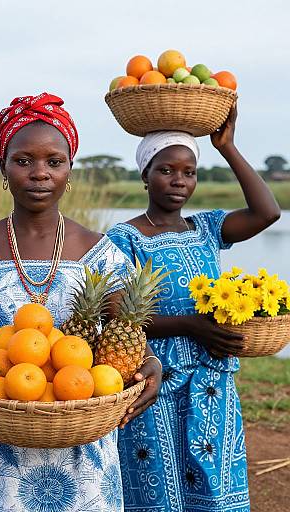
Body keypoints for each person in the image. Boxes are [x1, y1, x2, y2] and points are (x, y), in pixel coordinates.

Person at [0, 92, 162, 512]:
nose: (39, 173)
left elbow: (129, 338)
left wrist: (152, 363)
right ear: (3, 167)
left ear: (69, 170)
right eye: (23, 160)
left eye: (54, 161)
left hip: (82, 451)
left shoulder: (100, 252)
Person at [107, 105, 281, 512]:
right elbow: (116, 318)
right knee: (160, 492)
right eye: (166, 170)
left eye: (189, 172)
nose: (179, 181)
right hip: (154, 381)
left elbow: (267, 212)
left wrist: (228, 147)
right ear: (144, 176)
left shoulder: (206, 228)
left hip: (212, 381)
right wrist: (191, 325)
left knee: (216, 491)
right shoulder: (124, 238)